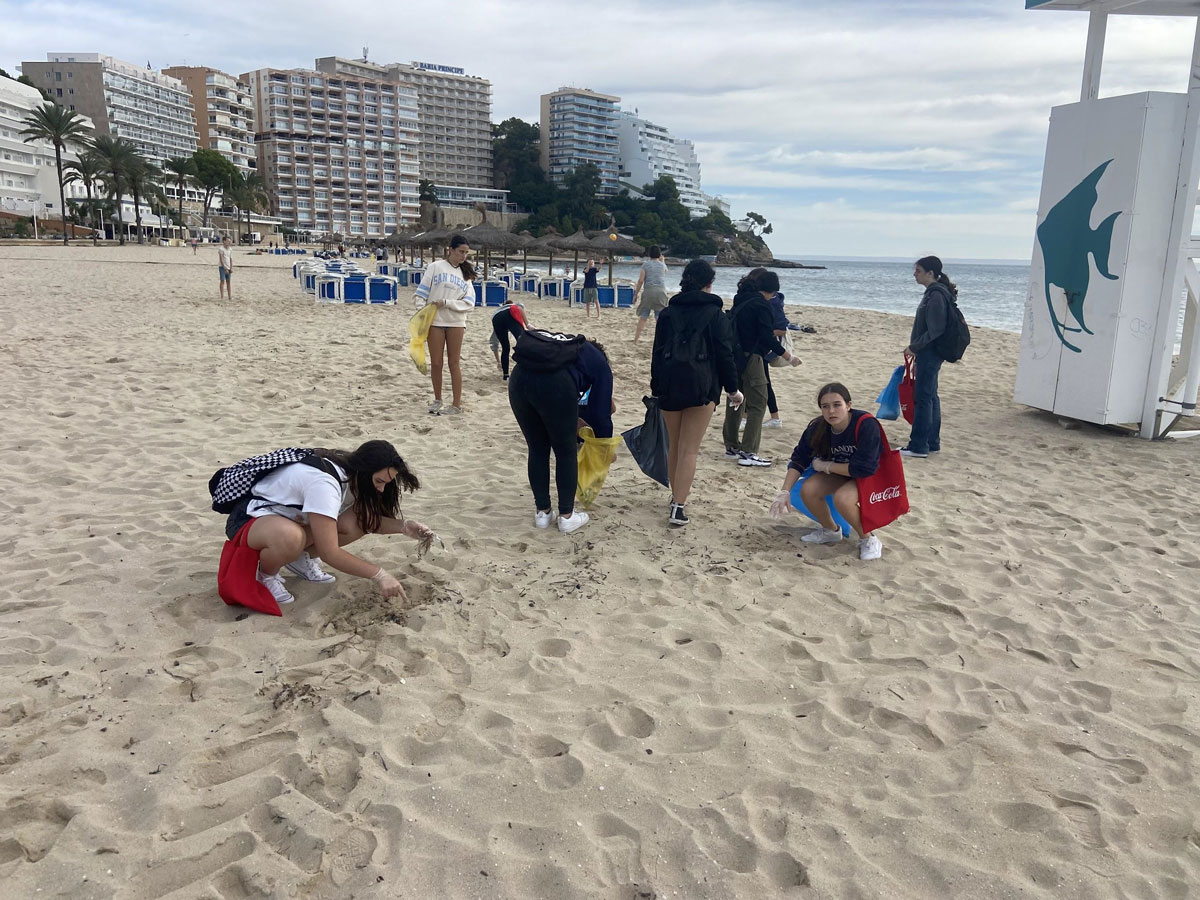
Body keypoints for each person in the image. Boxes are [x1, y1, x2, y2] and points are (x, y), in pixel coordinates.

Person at [224, 440, 436, 605]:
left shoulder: (351, 475)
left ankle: (298, 558)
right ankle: (266, 575)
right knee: (291, 538)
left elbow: (367, 521)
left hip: (287, 518)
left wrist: (405, 527)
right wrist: (380, 575)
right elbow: (330, 553)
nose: (381, 489)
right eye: (378, 481)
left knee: (354, 521)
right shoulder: (325, 483)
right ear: (363, 470)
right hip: (250, 518)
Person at [650, 259, 741, 527]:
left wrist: (656, 387)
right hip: (703, 388)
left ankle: (674, 496)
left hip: (669, 386)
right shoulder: (716, 315)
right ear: (708, 284)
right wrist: (733, 389)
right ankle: (678, 506)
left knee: (675, 447)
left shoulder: (667, 313)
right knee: (690, 449)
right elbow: (725, 356)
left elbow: (656, 354)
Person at [508, 331, 614, 534]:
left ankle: (543, 513)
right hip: (555, 385)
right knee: (565, 451)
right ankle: (567, 516)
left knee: (537, 448)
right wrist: (604, 446)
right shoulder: (600, 365)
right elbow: (601, 413)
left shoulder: (561, 346)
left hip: (519, 380)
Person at [769, 383, 885, 561]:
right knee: (807, 489)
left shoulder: (866, 424)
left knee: (843, 499)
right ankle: (831, 530)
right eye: (825, 406)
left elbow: (865, 468)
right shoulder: (818, 428)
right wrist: (784, 491)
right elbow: (799, 459)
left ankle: (868, 538)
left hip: (870, 473)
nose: (831, 411)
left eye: (837, 404)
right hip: (841, 470)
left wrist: (826, 467)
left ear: (848, 405)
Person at [721, 268, 801, 466]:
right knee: (758, 402)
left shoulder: (741, 299)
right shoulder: (762, 305)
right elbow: (767, 337)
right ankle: (748, 452)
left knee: (736, 398)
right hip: (752, 357)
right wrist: (789, 357)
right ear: (773, 291)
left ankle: (732, 446)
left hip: (734, 356)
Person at [416, 234, 476, 415]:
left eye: (466, 253)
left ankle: (456, 404)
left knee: (454, 363)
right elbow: (421, 294)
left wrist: (447, 303)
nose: (464, 256)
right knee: (436, 362)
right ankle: (437, 400)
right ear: (450, 250)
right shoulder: (435, 267)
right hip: (434, 320)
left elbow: (470, 303)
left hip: (456, 322)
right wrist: (421, 313)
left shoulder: (466, 275)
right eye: (461, 252)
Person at [903, 255, 956, 458]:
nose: (915, 275)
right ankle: (932, 442)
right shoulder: (934, 293)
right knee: (930, 396)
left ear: (930, 273)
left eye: (918, 271)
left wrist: (914, 347)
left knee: (924, 398)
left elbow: (936, 330)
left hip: (930, 352)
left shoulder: (936, 295)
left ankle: (919, 445)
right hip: (929, 352)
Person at [632, 246, 669, 343]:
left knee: (643, 317)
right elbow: (665, 271)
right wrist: (663, 261)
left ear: (649, 254)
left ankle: (636, 339)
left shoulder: (645, 265)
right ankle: (663, 340)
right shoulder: (662, 265)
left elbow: (641, 280)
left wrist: (636, 293)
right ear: (659, 254)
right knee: (658, 317)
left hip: (649, 291)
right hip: (661, 291)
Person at [490, 296, 528, 380]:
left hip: (496, 318)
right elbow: (520, 307)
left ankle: (506, 375)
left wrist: (498, 361)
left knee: (505, 347)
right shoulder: (514, 307)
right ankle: (524, 370)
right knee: (522, 342)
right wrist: (527, 324)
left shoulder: (499, 311)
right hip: (510, 314)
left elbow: (494, 343)